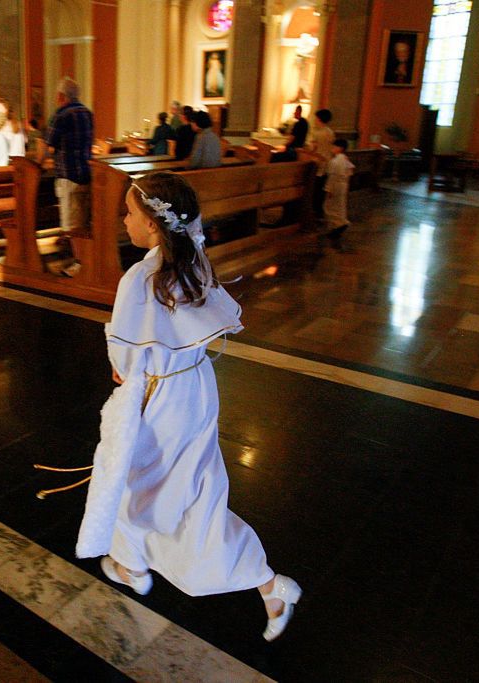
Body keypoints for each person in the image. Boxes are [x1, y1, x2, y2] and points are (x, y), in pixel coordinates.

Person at [72, 171, 301, 643]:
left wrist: (124, 368)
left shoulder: (141, 276)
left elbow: (127, 357)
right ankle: (132, 563)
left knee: (159, 490)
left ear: (154, 225)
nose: (124, 220)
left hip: (162, 398)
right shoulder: (189, 255)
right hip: (194, 387)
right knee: (168, 486)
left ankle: (265, 582)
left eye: (130, 213)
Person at [46, 77, 93, 276]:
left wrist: (42, 160)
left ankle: (79, 265)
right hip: (86, 173)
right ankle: (83, 261)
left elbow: (49, 144)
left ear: (61, 96)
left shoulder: (61, 114)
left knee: (72, 225)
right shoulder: (87, 113)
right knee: (82, 221)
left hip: (68, 174)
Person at [324, 138, 355, 247]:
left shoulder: (335, 161)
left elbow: (332, 177)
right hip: (343, 185)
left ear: (339, 148)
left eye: (334, 147)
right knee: (340, 206)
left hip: (335, 185)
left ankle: (340, 224)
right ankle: (336, 228)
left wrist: (328, 190)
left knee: (329, 207)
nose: (332, 149)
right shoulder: (345, 159)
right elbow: (350, 172)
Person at [308, 109, 334, 219]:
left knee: (315, 189)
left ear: (319, 118)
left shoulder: (317, 133)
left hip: (317, 164)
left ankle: (313, 211)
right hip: (327, 164)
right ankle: (320, 212)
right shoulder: (330, 132)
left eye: (316, 118)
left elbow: (312, 148)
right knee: (322, 190)